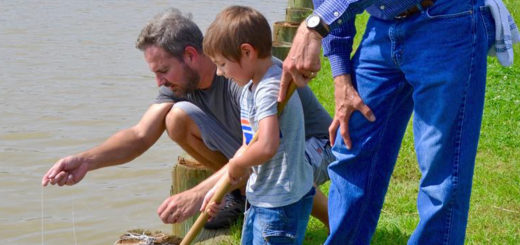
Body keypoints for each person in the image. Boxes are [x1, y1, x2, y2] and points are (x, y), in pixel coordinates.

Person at [41, 8, 334, 230]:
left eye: (163, 70)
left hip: (312, 145)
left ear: (191, 55)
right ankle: (241, 189)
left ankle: (343, 227)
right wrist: (86, 160)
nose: (159, 82)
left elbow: (264, 147)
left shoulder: (241, 74)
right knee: (176, 119)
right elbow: (140, 135)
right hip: (261, 150)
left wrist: (197, 194)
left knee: (281, 171)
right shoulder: (180, 87)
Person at [279, 0, 502, 244]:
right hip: (383, 23)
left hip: (447, 18)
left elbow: (327, 12)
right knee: (352, 153)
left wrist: (315, 26)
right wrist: (341, 75)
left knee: (442, 173)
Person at [201, 6, 315, 244]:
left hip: (279, 205)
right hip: (263, 196)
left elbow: (266, 145)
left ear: (247, 52)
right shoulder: (252, 86)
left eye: (222, 64)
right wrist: (219, 190)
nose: (221, 73)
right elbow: (248, 145)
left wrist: (237, 163)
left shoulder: (268, 88)